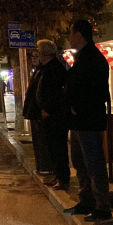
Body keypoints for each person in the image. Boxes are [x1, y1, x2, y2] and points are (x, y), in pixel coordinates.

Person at [63, 20, 112, 221]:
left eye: (71, 33)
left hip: (88, 120)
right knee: (80, 163)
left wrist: (77, 107)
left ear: (79, 35)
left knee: (93, 164)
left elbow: (95, 91)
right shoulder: (83, 57)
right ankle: (87, 200)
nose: (69, 38)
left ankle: (102, 206)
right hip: (79, 121)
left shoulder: (93, 59)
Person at [35, 40, 71, 191]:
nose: (36, 54)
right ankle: (58, 175)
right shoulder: (46, 68)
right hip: (50, 115)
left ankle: (63, 178)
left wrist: (47, 110)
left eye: (38, 51)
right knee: (53, 148)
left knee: (58, 147)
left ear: (44, 53)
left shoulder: (54, 69)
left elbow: (55, 93)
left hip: (56, 117)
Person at [22, 52, 55, 174]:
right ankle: (41, 167)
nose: (34, 59)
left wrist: (46, 109)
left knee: (44, 142)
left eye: (37, 56)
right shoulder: (37, 71)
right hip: (36, 112)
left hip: (42, 112)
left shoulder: (47, 71)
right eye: (33, 57)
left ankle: (47, 168)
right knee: (38, 141)